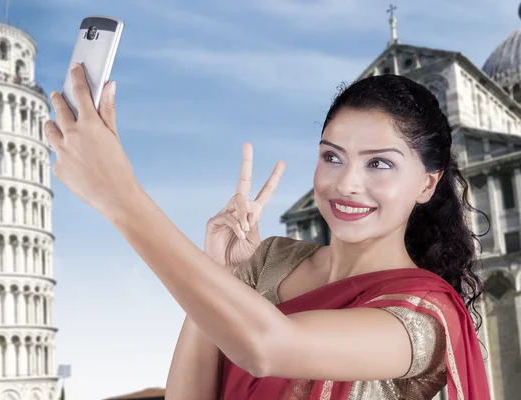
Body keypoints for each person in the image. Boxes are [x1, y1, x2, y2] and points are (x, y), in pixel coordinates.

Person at [46, 65, 490, 400]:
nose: (346, 183)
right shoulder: (272, 258)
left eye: (379, 163)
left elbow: (267, 345)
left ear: (427, 183)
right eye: (332, 157)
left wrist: (120, 197)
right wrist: (216, 269)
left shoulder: (427, 313)